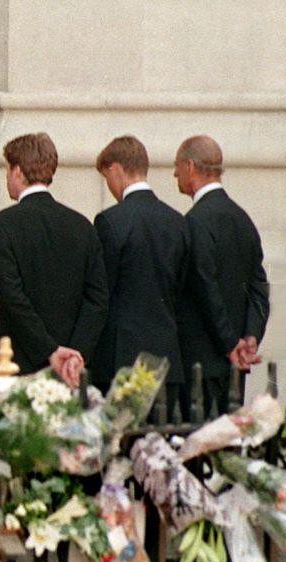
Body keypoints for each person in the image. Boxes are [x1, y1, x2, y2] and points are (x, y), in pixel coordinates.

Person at [0, 132, 109, 387]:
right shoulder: (81, 225)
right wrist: (75, 354)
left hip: (17, 360)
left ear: (18, 172)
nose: (7, 178)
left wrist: (50, 351)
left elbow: (13, 297)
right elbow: (97, 299)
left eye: (8, 171)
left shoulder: (1, 225)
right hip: (72, 368)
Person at [173, 135, 270, 418]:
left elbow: (205, 285)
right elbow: (258, 286)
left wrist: (229, 343)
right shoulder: (242, 218)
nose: (175, 173)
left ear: (190, 166)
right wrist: (250, 336)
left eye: (177, 166)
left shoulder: (196, 221)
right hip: (236, 363)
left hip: (203, 360)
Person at [91, 136, 188, 413]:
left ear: (115, 169)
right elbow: (179, 286)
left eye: (106, 177)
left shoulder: (110, 222)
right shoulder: (177, 222)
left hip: (121, 358)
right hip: (167, 355)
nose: (109, 187)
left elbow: (102, 292)